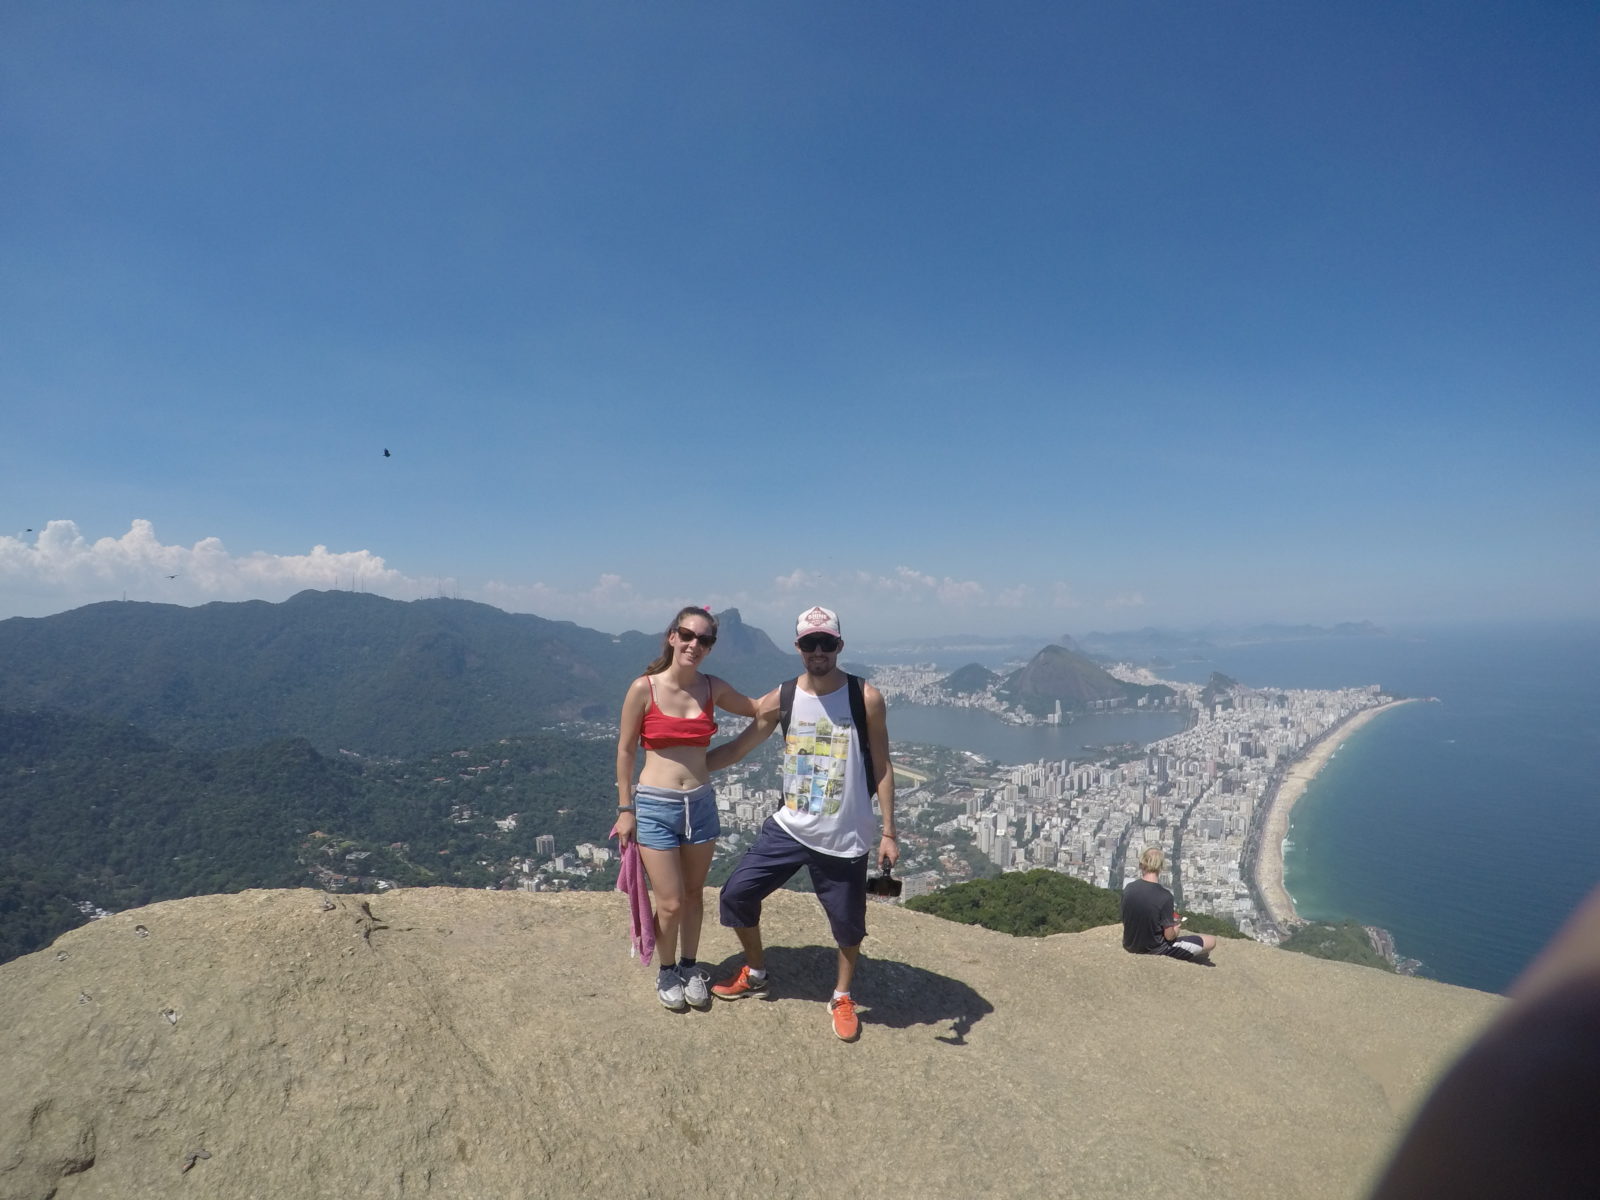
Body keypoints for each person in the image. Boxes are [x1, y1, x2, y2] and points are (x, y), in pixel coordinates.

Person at [706, 605, 898, 1042]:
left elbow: (883, 765)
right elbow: (738, 749)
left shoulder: (864, 697)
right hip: (789, 826)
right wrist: (685, 769)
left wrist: (888, 831)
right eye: (810, 643)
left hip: (845, 832)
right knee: (737, 894)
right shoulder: (783, 698)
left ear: (839, 646)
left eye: (826, 643)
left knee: (848, 923)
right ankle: (755, 970)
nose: (818, 651)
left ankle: (842, 995)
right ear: (798, 647)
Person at [615, 606, 756, 1011]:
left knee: (694, 894)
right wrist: (626, 808)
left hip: (701, 804)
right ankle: (667, 969)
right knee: (671, 902)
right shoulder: (644, 688)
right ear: (672, 637)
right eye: (688, 635)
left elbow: (758, 708)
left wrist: (802, 691)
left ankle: (691, 967)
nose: (695, 644)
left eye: (705, 639)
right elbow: (625, 750)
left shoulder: (713, 688)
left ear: (710, 647)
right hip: (655, 805)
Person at [1121, 846, 1216, 963]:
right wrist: (1176, 929)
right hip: (1157, 949)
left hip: (1130, 945)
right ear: (1161, 867)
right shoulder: (1164, 896)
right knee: (1211, 941)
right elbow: (1169, 936)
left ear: (1141, 864)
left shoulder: (1129, 888)